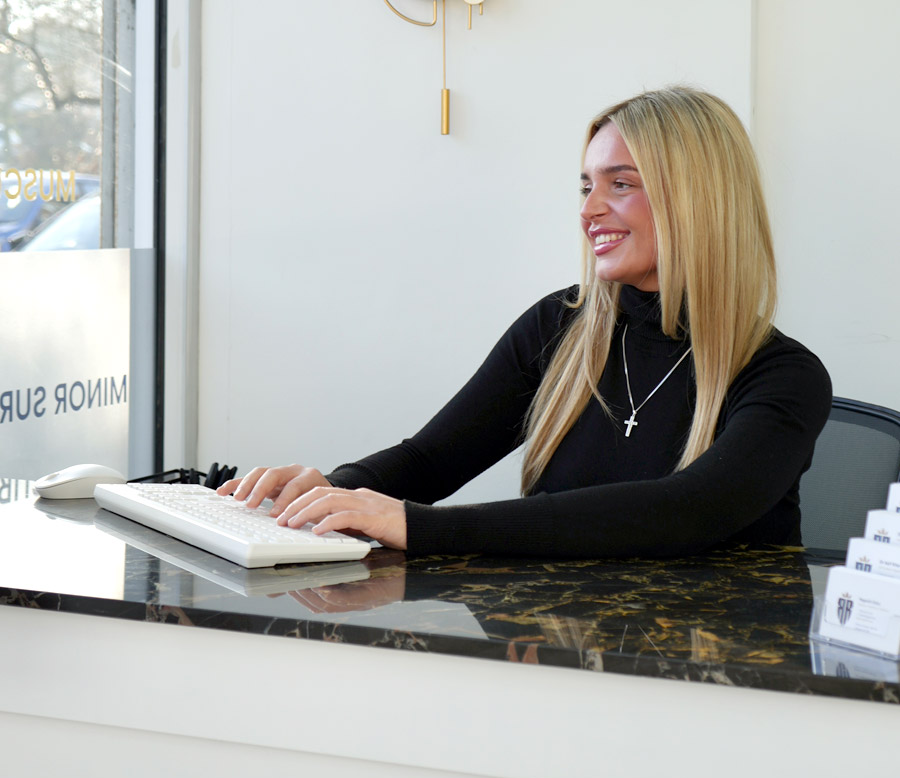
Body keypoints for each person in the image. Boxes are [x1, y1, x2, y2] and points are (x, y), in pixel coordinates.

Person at [217, 86, 832, 558]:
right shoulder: (559, 326)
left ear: (698, 200)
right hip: (557, 649)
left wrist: (419, 527)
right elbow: (431, 460)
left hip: (720, 667)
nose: (589, 210)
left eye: (620, 184)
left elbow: (690, 509)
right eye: (586, 186)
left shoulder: (784, 376)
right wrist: (331, 493)